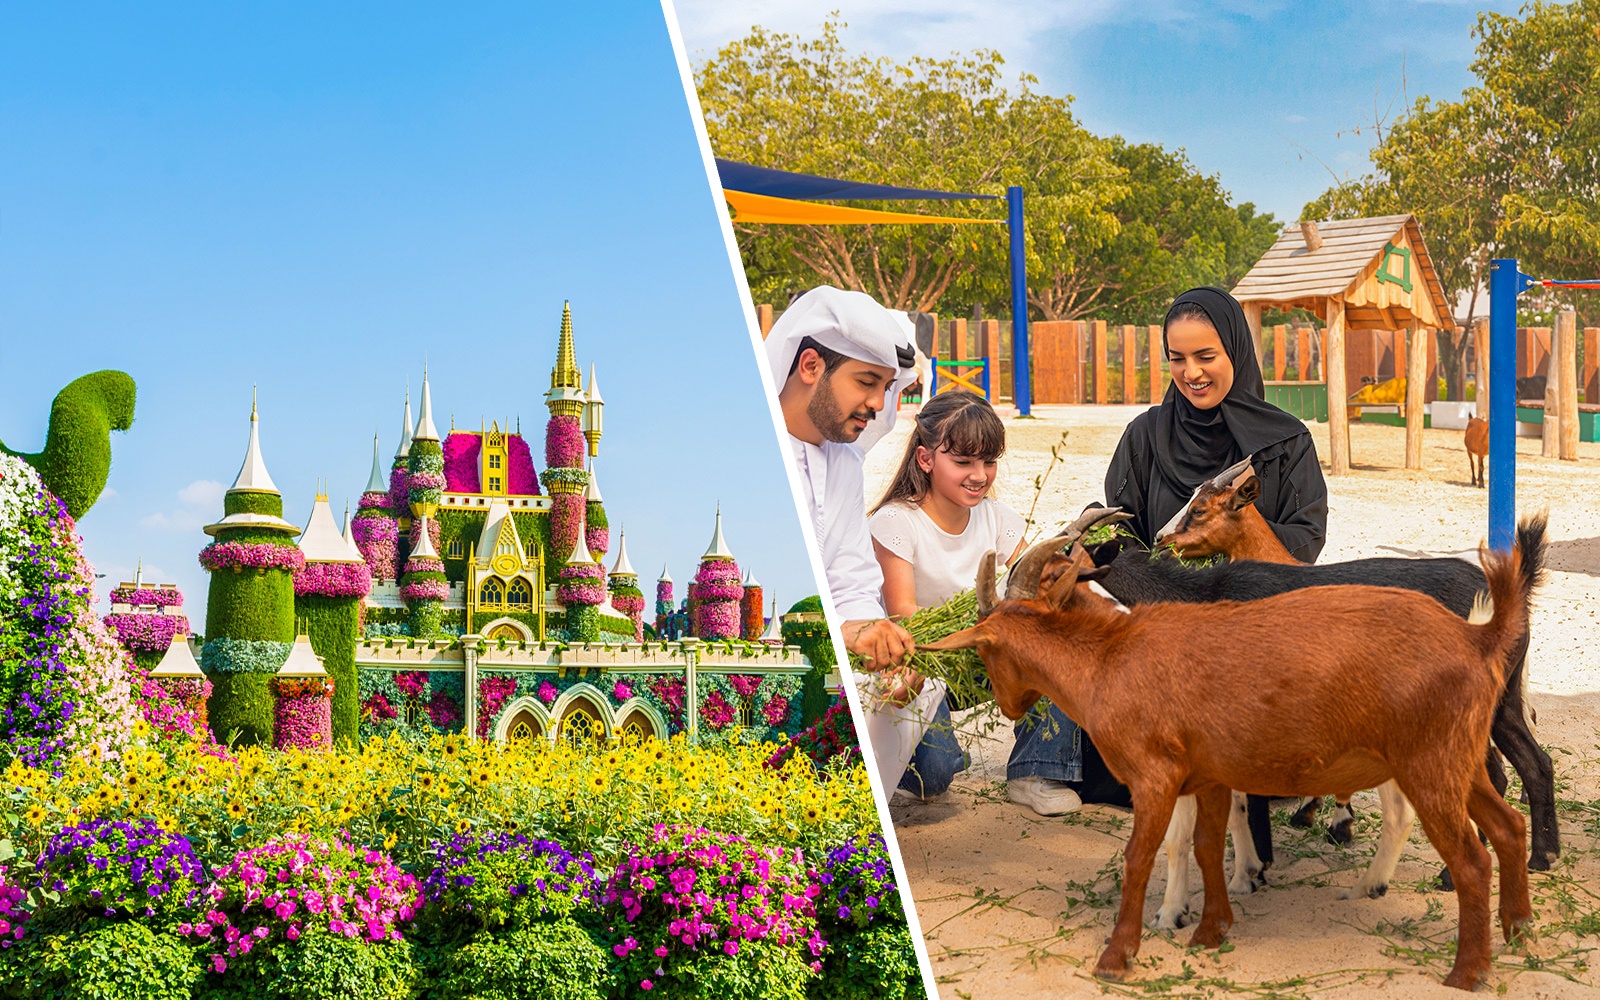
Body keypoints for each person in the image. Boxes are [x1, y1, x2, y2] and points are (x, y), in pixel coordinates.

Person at [1070, 284, 1329, 806]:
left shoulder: (1285, 442)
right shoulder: (1144, 436)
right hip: (1162, 627)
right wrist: (1161, 575)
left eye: (1206, 356)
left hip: (1252, 627)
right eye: (1177, 358)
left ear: (1235, 350)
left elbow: (1306, 537)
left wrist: (1232, 538)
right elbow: (1121, 531)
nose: (1192, 373)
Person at [763, 285, 944, 795]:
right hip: (793, 654)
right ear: (811, 366)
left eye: (887, 387)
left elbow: (853, 583)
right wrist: (844, 634)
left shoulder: (843, 463)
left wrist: (879, 645)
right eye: (866, 382)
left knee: (923, 699)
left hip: (835, 659)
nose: (877, 404)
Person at [868, 390, 1083, 815]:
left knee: (1059, 636)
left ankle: (1035, 770)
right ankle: (935, 759)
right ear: (926, 459)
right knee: (932, 780)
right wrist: (981, 629)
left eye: (989, 461)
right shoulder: (895, 521)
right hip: (924, 664)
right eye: (963, 462)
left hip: (985, 657)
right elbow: (904, 614)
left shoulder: (997, 517)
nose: (979, 475)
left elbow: (1033, 584)